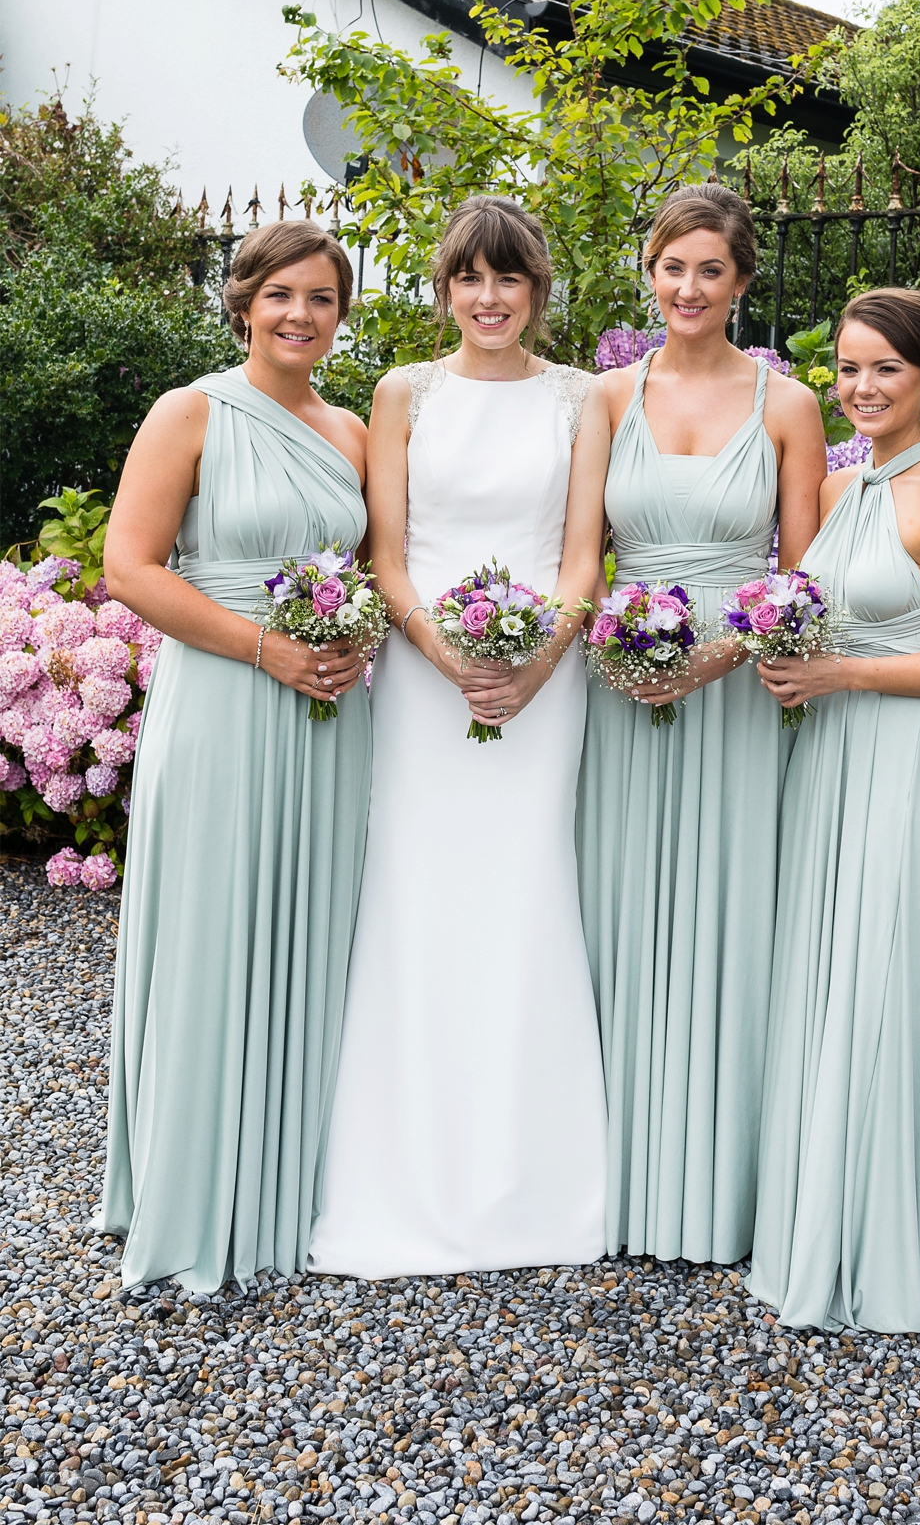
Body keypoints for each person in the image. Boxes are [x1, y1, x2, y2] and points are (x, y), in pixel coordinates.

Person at [308, 196, 609, 1277]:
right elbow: (386, 556)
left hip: (545, 680)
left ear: (537, 293)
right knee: (418, 889)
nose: (490, 299)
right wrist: (443, 653)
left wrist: (536, 659)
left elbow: (582, 559)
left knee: (529, 889)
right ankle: (406, 1167)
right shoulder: (402, 394)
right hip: (424, 678)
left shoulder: (580, 399)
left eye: (511, 279)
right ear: (445, 291)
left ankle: (542, 1177)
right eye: (470, 280)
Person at [100, 220, 371, 1293]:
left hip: (327, 720)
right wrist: (268, 649)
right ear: (243, 300)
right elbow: (130, 567)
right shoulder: (192, 412)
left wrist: (346, 641)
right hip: (223, 699)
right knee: (215, 931)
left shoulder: (351, 429)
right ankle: (192, 1191)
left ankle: (283, 1187)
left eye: (322, 299)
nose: (302, 315)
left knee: (308, 928)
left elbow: (370, 569)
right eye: (283, 295)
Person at [751, 287, 920, 1333]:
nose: (861, 388)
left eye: (886, 372)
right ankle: (826, 1217)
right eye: (850, 368)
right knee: (831, 971)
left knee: (884, 975)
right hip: (827, 759)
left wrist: (845, 676)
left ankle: (895, 1242)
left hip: (898, 756)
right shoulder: (840, 485)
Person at [576, 184, 828, 1264]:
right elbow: (582, 559)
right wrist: (597, 646)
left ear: (740, 282)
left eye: (710, 270)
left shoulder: (789, 405)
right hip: (621, 681)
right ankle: (606, 1177)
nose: (688, 287)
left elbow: (807, 579)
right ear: (649, 270)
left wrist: (718, 659)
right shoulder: (604, 399)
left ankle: (721, 1182)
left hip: (733, 687)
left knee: (731, 910)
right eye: (672, 266)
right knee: (615, 904)